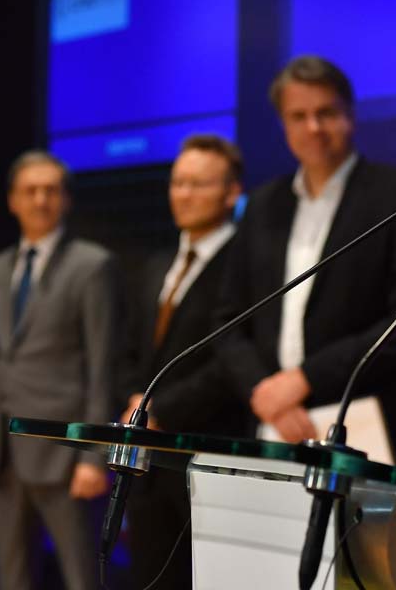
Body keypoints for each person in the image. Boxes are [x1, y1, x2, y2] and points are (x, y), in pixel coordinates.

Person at [216, 55, 396, 469]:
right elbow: (229, 319)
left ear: (350, 115)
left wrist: (304, 380)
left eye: (326, 113)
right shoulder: (262, 205)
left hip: (367, 425)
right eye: (298, 116)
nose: (313, 128)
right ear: (283, 124)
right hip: (273, 424)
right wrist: (267, 392)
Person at [0, 150, 119, 590]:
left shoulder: (92, 265)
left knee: (82, 576)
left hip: (64, 455)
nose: (40, 200)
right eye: (30, 191)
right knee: (11, 578)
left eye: (50, 190)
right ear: (13, 200)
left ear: (66, 199)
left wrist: (94, 456)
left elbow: (102, 367)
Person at [115, 134, 250, 588]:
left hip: (209, 454)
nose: (184, 194)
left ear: (231, 192)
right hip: (148, 461)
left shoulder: (246, 263)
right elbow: (129, 349)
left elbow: (233, 359)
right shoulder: (156, 264)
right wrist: (135, 401)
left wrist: (163, 409)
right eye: (177, 183)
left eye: (199, 184)